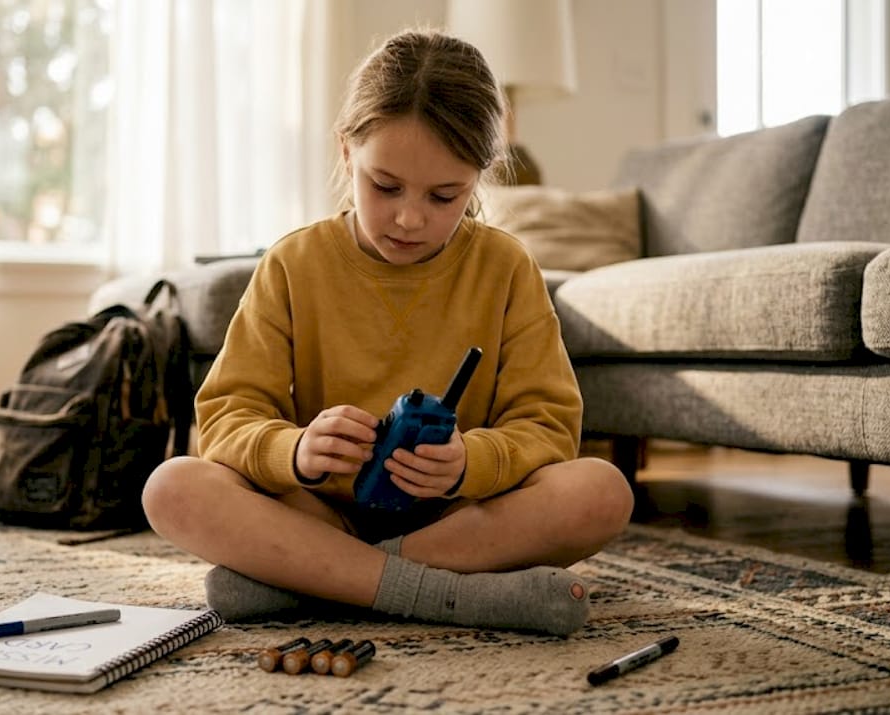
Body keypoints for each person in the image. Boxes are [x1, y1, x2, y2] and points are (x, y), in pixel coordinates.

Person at [142, 29, 633, 637]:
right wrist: (294, 450)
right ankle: (441, 594)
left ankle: (313, 582)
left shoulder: (506, 268)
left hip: (461, 522)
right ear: (347, 152)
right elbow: (227, 415)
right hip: (317, 513)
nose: (409, 217)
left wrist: (465, 465)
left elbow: (549, 426)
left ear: (479, 177)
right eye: (386, 186)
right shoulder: (293, 264)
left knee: (601, 491)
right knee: (171, 488)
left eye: (444, 195)